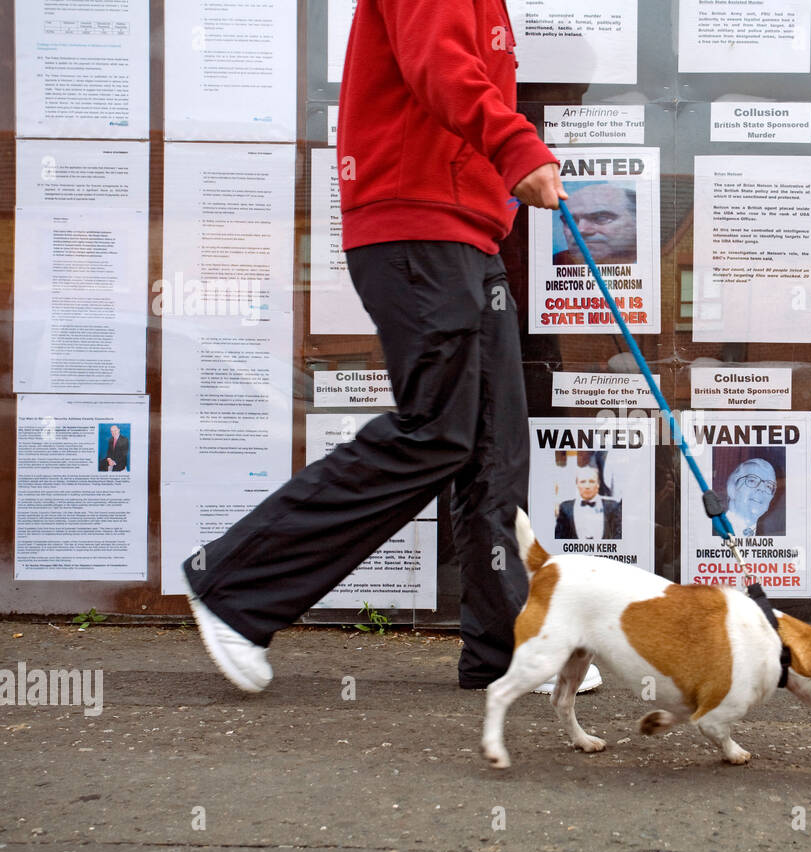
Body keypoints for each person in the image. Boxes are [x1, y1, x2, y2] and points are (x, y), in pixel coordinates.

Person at [180, 0, 604, 694]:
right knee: (435, 430)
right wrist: (518, 145)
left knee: (494, 448)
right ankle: (232, 583)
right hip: (417, 223)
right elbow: (438, 64)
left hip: (470, 232)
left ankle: (507, 645)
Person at [552, 183, 637, 265]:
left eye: (601, 218)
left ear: (637, 223)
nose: (580, 230)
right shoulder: (555, 262)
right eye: (570, 221)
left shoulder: (649, 264)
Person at [713, 458, 778, 538]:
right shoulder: (710, 527)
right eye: (752, 480)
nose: (762, 489)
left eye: (768, 486)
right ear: (732, 488)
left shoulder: (775, 534)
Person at [554, 466, 622, 540]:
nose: (587, 486)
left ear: (598, 484)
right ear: (577, 484)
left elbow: (618, 536)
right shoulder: (565, 508)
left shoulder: (612, 506)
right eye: (583, 482)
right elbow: (559, 538)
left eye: (592, 481)